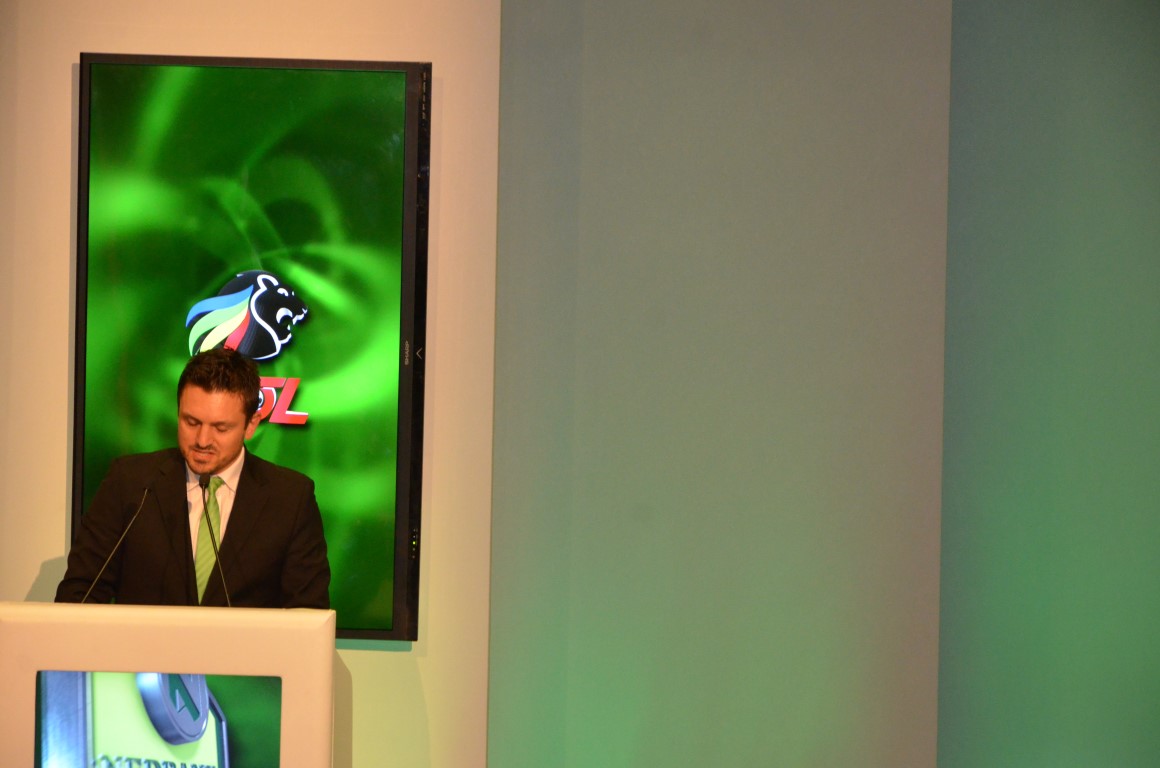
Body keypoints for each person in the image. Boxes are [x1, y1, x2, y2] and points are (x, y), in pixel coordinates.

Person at [56, 347, 330, 609]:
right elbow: (80, 595)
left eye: (220, 428)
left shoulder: (291, 499)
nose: (202, 440)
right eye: (191, 422)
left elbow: (307, 616)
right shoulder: (130, 484)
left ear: (251, 425)